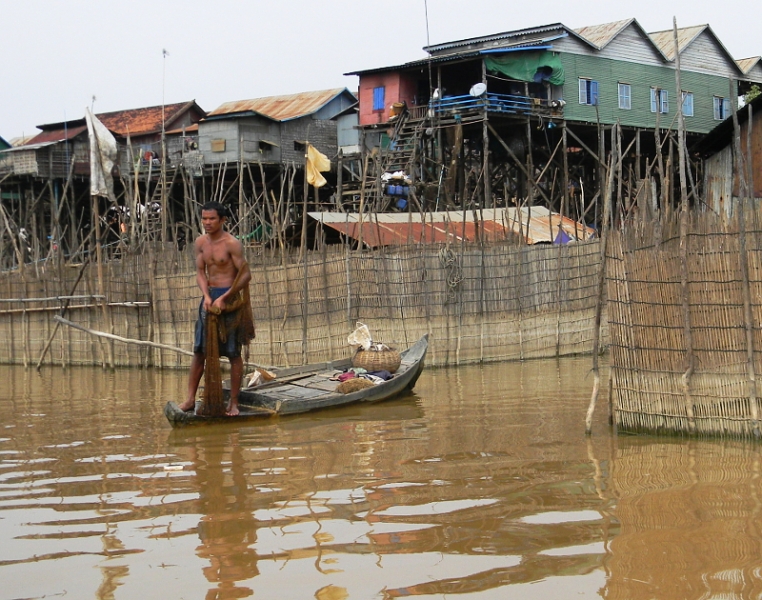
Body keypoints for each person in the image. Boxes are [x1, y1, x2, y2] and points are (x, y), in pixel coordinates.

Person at [179, 202, 252, 416]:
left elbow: (245, 275)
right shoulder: (200, 242)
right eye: (204, 218)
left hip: (228, 299)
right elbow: (200, 272)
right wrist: (206, 296)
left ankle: (234, 403)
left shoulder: (232, 243)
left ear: (222, 220)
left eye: (212, 219)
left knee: (232, 352)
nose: (207, 223)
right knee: (200, 351)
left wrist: (225, 298)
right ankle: (191, 399)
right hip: (209, 298)